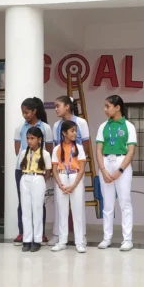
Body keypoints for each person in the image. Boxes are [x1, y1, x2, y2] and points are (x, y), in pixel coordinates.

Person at [95, 95, 137, 251]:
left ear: (117, 107)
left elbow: (131, 151)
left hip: (122, 162)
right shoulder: (103, 126)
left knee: (125, 202)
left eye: (108, 106)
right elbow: (98, 150)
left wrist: (120, 170)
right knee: (107, 204)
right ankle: (107, 238)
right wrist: (103, 170)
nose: (105, 109)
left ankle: (127, 239)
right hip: (105, 162)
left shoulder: (129, 126)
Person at [13, 97, 53, 246]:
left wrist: (43, 171)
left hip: (39, 171)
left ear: (34, 111)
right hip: (22, 170)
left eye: (27, 112)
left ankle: (39, 234)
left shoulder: (45, 128)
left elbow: (49, 149)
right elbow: (18, 150)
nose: (24, 115)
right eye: (23, 112)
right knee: (23, 202)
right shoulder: (19, 128)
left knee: (38, 203)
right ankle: (23, 233)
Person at [52, 95, 91, 245]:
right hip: (61, 170)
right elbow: (57, 146)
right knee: (60, 205)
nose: (56, 109)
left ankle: (81, 237)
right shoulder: (56, 126)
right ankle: (59, 235)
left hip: (76, 168)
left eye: (58, 106)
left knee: (78, 204)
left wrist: (78, 161)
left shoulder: (81, 122)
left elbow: (86, 144)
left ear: (67, 106)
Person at [19, 127, 52, 253]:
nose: (29, 141)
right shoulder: (24, 152)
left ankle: (37, 240)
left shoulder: (45, 154)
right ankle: (27, 240)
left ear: (39, 139)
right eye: (27, 138)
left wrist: (41, 180)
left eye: (32, 138)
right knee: (26, 210)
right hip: (25, 177)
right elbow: (20, 167)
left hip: (38, 178)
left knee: (37, 209)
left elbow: (48, 170)